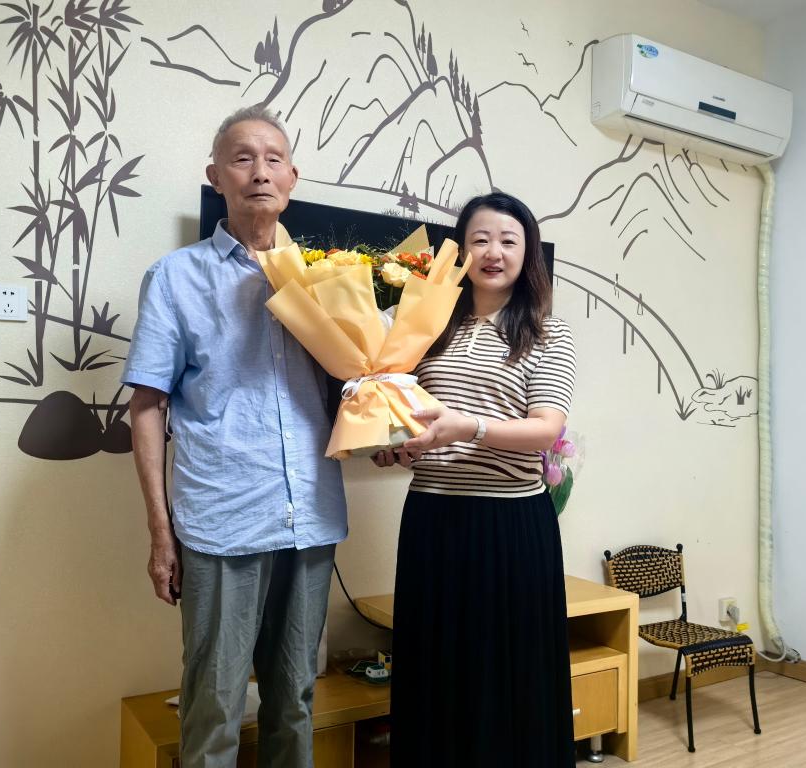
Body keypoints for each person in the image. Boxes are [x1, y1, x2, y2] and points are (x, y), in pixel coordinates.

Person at [123, 105, 347, 768]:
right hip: (221, 518)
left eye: (274, 159)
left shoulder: (328, 279)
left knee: (295, 700)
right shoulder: (176, 276)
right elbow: (146, 407)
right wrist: (161, 533)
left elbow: (352, 384)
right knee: (215, 705)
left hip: (310, 516)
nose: (260, 172)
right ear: (215, 175)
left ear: (293, 178)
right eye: (242, 158)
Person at [374, 192, 577, 768]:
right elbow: (407, 415)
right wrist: (390, 447)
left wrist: (469, 428)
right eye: (479, 240)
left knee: (508, 671)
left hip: (509, 525)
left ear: (527, 254)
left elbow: (545, 429)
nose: (493, 252)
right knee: (435, 665)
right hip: (432, 517)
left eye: (509, 241)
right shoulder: (430, 326)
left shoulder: (547, 331)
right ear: (460, 252)